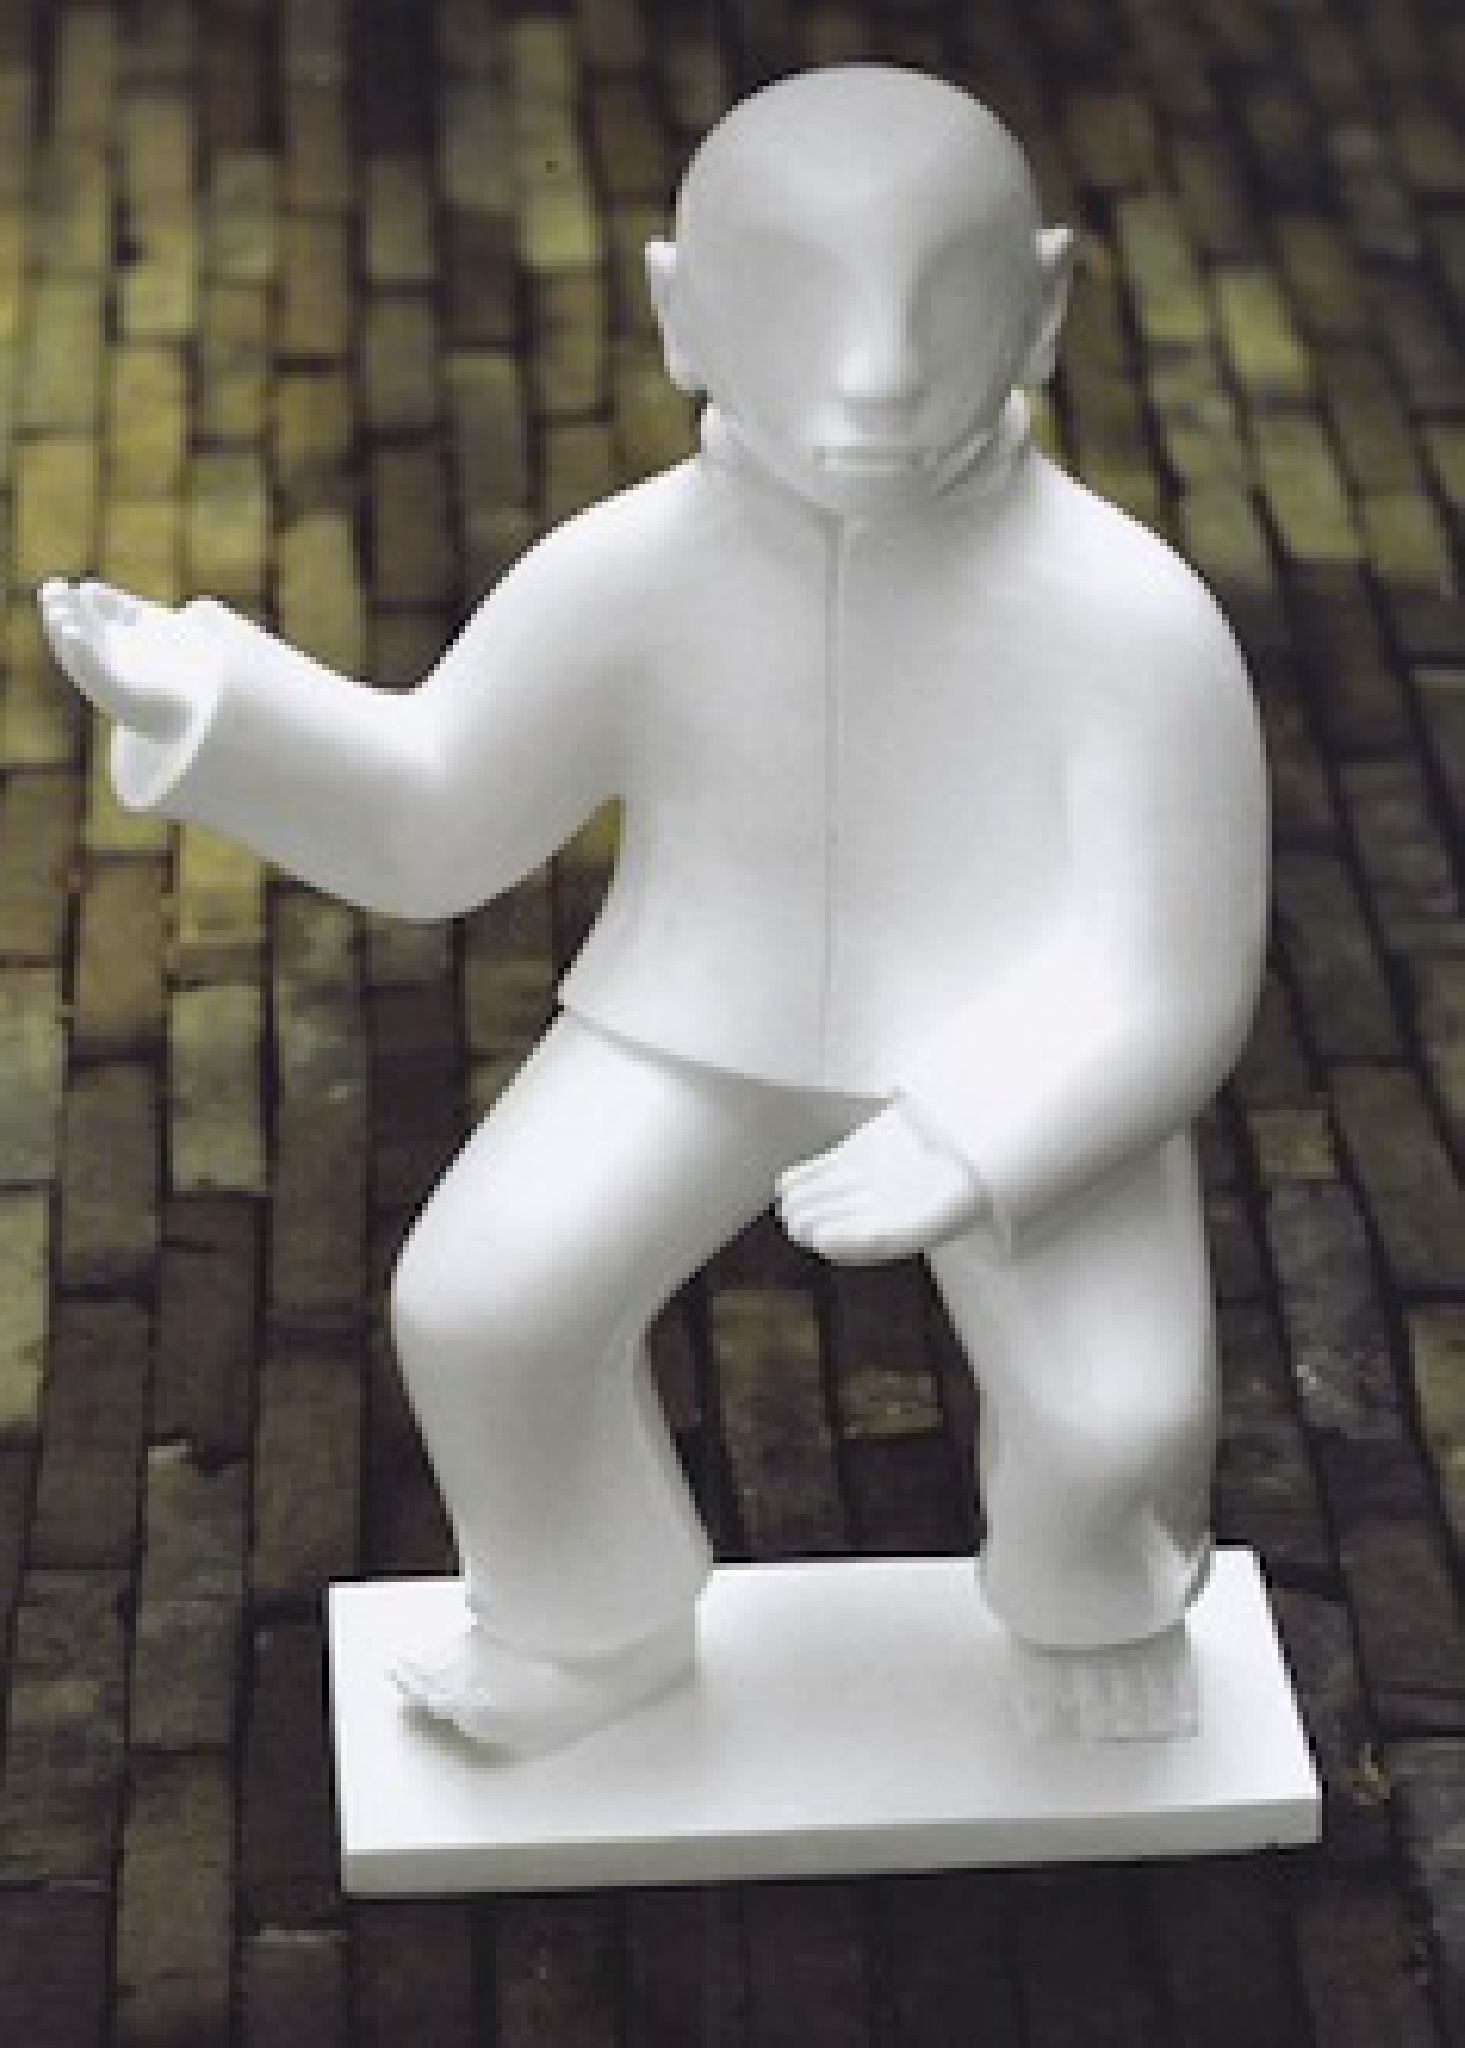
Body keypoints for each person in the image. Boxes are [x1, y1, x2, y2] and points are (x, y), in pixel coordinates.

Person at [40, 65, 1267, 1750]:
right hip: (697, 1018)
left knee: (1114, 1427)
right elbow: (435, 818)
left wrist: (983, 1140)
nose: (878, 368)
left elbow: (1166, 978)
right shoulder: (629, 574)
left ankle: (1096, 1600)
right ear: (679, 314)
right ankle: (585, 1621)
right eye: (799, 294)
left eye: (942, 295)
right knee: (487, 1309)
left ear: (1043, 303)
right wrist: (220, 711)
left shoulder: (1130, 621)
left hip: (1022, 1051)